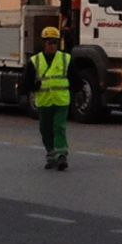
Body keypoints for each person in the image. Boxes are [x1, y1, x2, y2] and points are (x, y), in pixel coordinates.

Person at [28, 26, 71, 170]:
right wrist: (34, 86)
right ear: (43, 43)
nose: (52, 45)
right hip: (44, 102)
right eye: (49, 42)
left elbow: (74, 79)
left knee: (59, 127)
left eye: (54, 42)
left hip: (61, 101)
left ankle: (61, 155)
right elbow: (26, 82)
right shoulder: (35, 61)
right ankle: (51, 155)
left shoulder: (66, 59)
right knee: (45, 130)